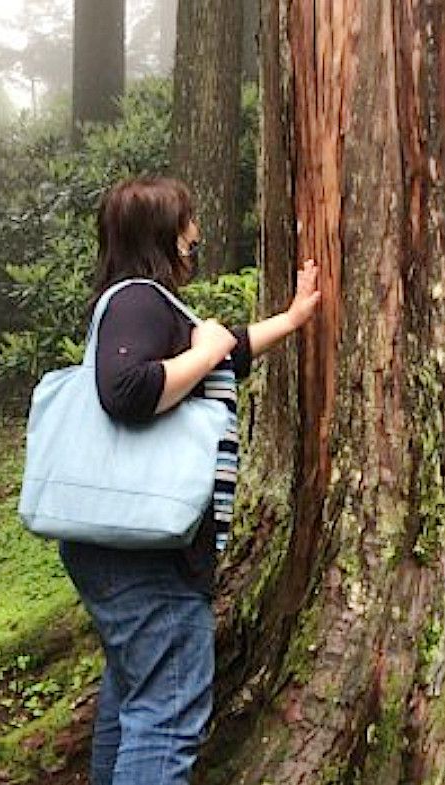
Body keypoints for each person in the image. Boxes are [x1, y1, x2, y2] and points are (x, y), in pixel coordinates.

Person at [58, 176, 321, 785]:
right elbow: (126, 390)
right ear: (165, 236)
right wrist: (204, 349)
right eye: (188, 222)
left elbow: (220, 356)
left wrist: (292, 317)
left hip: (124, 550)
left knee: (133, 703)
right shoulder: (138, 301)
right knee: (167, 717)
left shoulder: (145, 304)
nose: (196, 234)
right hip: (146, 557)